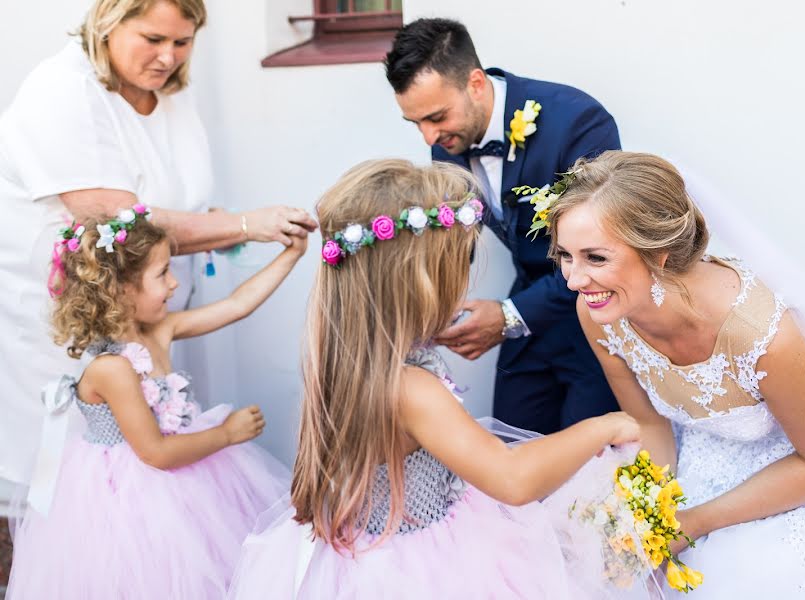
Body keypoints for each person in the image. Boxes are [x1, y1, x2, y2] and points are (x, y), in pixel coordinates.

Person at [226, 159, 647, 600]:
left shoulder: (352, 355)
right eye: (459, 262)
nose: (466, 277)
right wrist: (603, 426)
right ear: (420, 281)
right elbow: (512, 478)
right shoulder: (409, 387)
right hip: (423, 570)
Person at [549, 150, 805, 597]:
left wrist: (692, 523)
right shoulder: (599, 312)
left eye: (595, 258)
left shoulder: (764, 337)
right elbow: (651, 423)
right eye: (565, 256)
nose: (575, 280)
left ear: (659, 253)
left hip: (798, 469)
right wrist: (650, 514)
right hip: (696, 458)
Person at [0, 0, 317, 488]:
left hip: (147, 307)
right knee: (78, 475)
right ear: (108, 24)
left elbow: (177, 202)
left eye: (182, 42)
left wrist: (234, 231)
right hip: (75, 319)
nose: (168, 57)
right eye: (153, 39)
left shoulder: (167, 92)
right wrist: (246, 225)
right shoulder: (61, 91)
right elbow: (118, 218)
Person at [5, 208, 310, 598]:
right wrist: (227, 433)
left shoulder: (160, 330)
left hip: (185, 478)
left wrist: (291, 255)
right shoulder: (111, 369)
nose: (174, 283)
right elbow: (156, 453)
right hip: (132, 502)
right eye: (163, 273)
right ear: (122, 290)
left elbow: (237, 305)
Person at [384, 18, 620, 434]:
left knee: (588, 466)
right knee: (510, 448)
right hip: (528, 314)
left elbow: (604, 251)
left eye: (436, 117)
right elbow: (456, 241)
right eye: (416, 123)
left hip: (596, 320)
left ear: (476, 83)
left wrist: (509, 316)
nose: (428, 138)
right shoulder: (447, 144)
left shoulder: (578, 121)